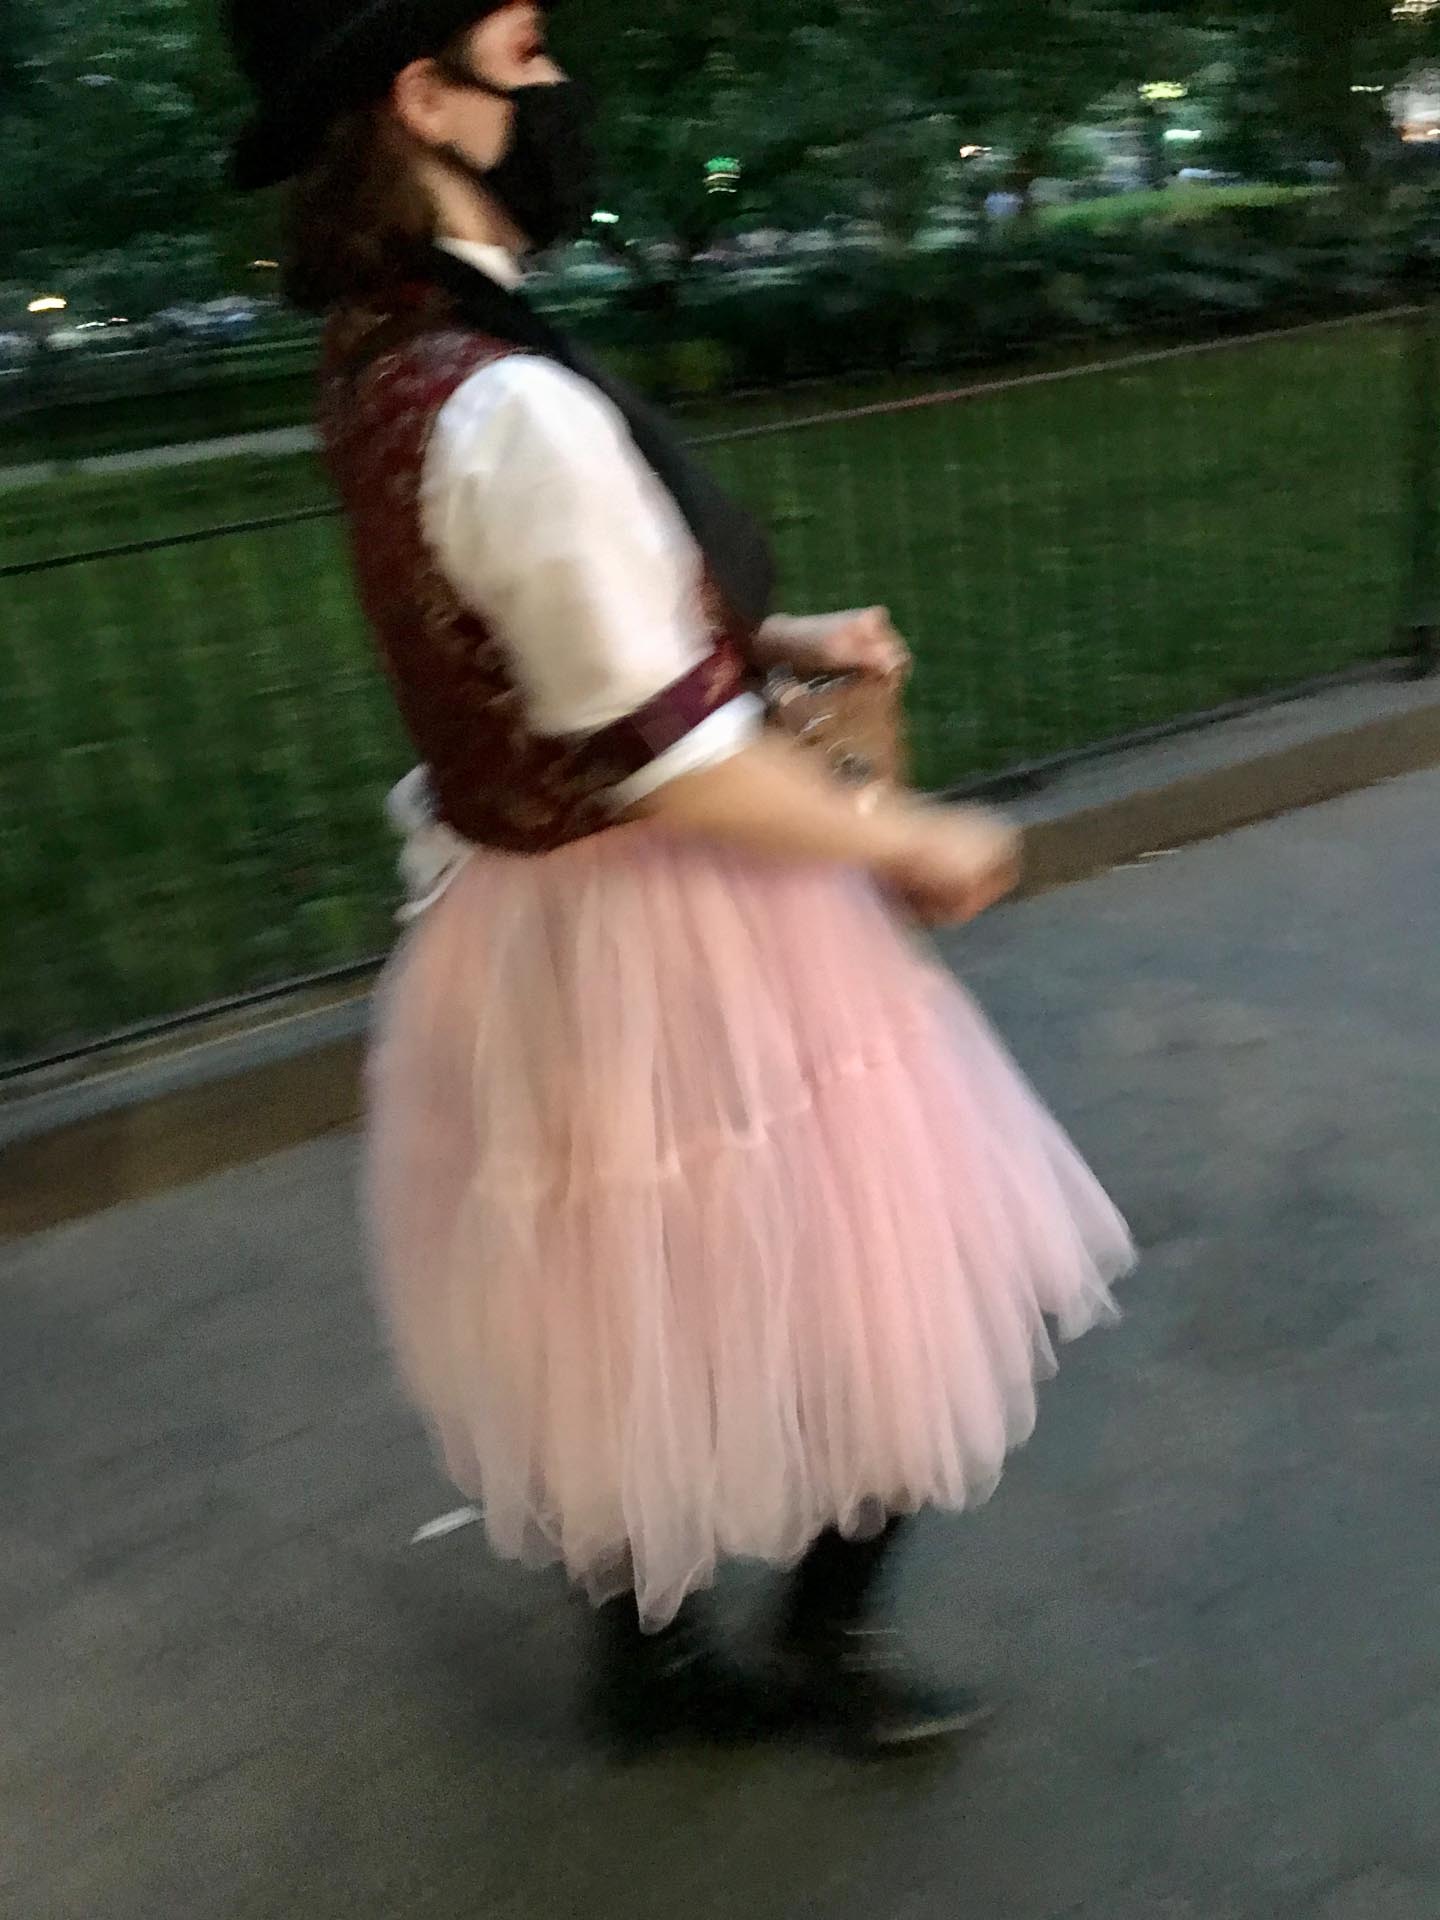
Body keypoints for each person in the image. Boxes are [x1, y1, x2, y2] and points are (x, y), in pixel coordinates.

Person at [223, 0, 1133, 1757]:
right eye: (526, 49)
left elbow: (552, 632)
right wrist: (914, 834)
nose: (558, 85)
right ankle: (816, 1648)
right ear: (427, 99)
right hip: (675, 920)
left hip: (531, 931)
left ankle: (651, 1673)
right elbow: (669, 760)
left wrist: (764, 637)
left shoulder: (387, 351)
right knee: (875, 1278)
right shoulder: (504, 397)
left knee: (611, 1303)